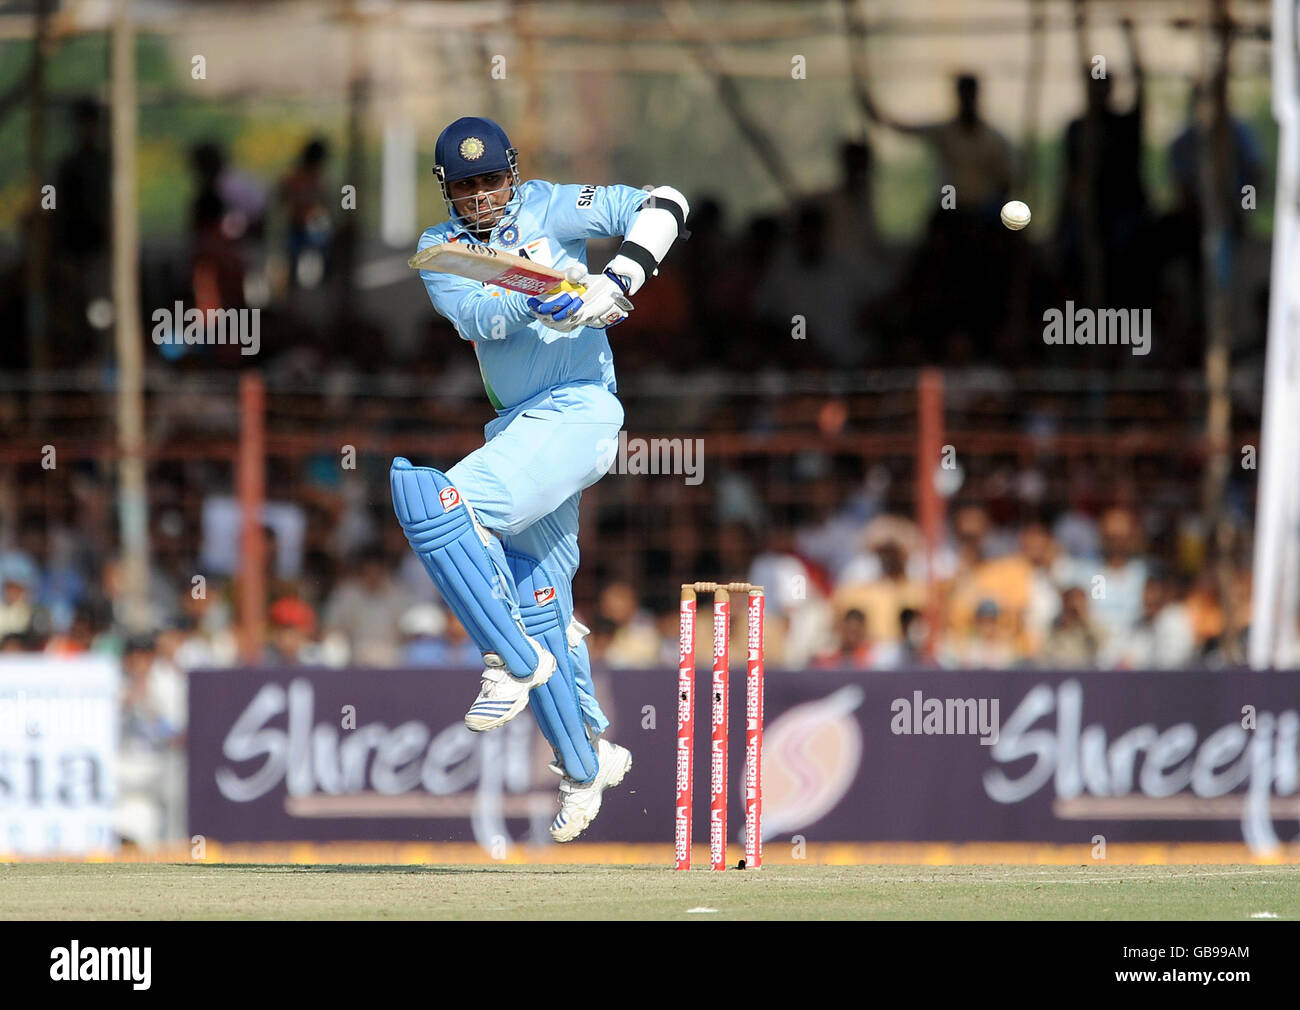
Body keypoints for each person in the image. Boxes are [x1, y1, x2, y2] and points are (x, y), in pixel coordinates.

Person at [392, 116, 689, 843]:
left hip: (580, 412)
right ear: (446, 191)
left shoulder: (554, 205)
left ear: (512, 174)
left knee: (432, 499)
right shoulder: (441, 251)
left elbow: (668, 203)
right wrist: (550, 293)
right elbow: (485, 315)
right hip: (521, 427)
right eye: (466, 185)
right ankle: (587, 762)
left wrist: (618, 280)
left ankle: (512, 661)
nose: (483, 195)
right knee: (540, 597)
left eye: (492, 179)